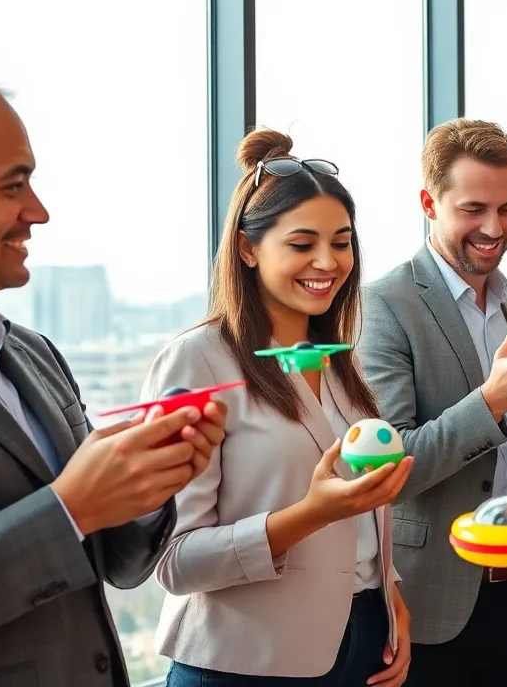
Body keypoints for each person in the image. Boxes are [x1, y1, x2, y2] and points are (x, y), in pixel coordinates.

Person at [0, 70, 226, 685]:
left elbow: (117, 565)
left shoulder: (32, 356)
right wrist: (70, 507)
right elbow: (70, 520)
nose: (39, 212)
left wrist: (150, 483)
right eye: (14, 184)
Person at [148, 128, 413, 685]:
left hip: (362, 644)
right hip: (244, 663)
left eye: (341, 242)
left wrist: (391, 599)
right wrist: (310, 514)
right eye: (301, 244)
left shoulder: (338, 360)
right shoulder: (197, 362)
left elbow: (360, 519)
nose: (328, 261)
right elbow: (175, 561)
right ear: (247, 248)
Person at [357, 119, 507, 687]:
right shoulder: (384, 306)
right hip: (428, 606)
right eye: (474, 208)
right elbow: (389, 469)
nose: (493, 227)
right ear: (429, 202)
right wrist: (490, 403)